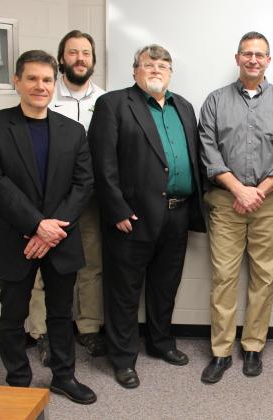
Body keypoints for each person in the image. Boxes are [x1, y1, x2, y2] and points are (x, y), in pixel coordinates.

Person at [0, 50, 96, 404]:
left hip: (61, 236)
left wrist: (51, 228)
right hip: (14, 236)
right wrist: (37, 225)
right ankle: (18, 382)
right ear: (17, 81)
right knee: (14, 313)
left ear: (54, 84)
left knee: (61, 313)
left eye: (46, 80)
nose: (39, 86)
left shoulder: (72, 132)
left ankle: (63, 377)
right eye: (32, 78)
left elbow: (83, 184)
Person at [88, 44, 206, 389]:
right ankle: (122, 358)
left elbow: (193, 157)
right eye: (148, 64)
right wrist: (116, 209)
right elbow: (102, 163)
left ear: (171, 72)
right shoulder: (113, 104)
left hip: (178, 213)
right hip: (132, 217)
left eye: (163, 65)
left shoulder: (183, 106)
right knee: (124, 291)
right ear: (135, 70)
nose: (156, 69)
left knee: (164, 285)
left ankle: (160, 343)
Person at [199, 31, 273, 384]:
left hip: (271, 204)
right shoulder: (214, 101)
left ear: (269, 60)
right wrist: (238, 190)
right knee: (224, 278)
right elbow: (208, 150)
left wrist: (259, 190)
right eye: (247, 53)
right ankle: (221, 351)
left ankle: (254, 346)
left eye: (260, 54)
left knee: (264, 279)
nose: (253, 59)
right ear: (237, 58)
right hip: (227, 202)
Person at [28, 30, 106, 366]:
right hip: (48, 200)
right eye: (72, 52)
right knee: (43, 268)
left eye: (85, 53)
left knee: (90, 264)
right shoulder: (44, 93)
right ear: (62, 58)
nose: (79, 59)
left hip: (88, 199)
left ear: (93, 60)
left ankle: (87, 327)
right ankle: (42, 333)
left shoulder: (104, 100)